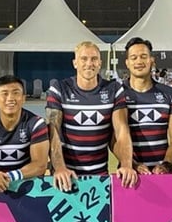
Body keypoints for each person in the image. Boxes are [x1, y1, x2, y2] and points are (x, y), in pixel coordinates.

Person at [46, 40, 138, 190]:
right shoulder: (60, 89)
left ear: (100, 63)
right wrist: (59, 168)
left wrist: (127, 164)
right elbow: (53, 130)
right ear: (75, 63)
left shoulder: (113, 89)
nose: (89, 63)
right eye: (84, 59)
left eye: (94, 59)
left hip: (100, 175)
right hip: (66, 176)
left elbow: (121, 129)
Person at [121, 37, 172, 174]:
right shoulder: (117, 94)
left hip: (161, 175)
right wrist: (132, 163)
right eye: (134, 57)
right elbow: (113, 136)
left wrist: (166, 165)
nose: (139, 61)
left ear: (152, 60)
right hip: (129, 173)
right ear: (127, 63)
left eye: (143, 56)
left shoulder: (170, 94)